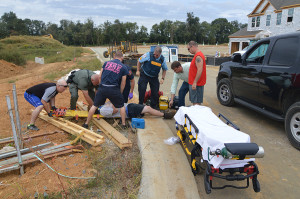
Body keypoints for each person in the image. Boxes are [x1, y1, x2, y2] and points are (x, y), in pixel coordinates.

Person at [83, 50, 128, 128]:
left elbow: (100, 76)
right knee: (121, 106)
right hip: (114, 89)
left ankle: (86, 123)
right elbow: (123, 82)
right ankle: (123, 124)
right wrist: (120, 92)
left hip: (103, 88)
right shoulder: (124, 67)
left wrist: (101, 86)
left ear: (114, 56)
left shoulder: (106, 63)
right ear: (122, 57)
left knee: (94, 106)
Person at [98, 101, 175, 119]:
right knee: (147, 108)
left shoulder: (103, 106)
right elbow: (114, 111)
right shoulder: (102, 111)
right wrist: (112, 102)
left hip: (129, 107)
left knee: (147, 108)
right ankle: (165, 115)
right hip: (128, 110)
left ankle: (162, 113)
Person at [187, 41, 207, 105]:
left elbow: (200, 70)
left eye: (188, 49)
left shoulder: (198, 56)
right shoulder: (197, 55)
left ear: (192, 47)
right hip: (195, 84)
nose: (188, 51)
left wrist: (195, 82)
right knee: (195, 102)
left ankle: (196, 114)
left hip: (197, 85)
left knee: (196, 104)